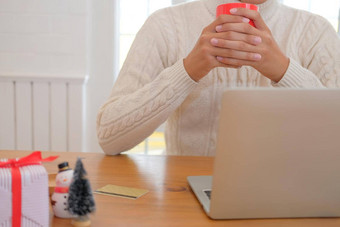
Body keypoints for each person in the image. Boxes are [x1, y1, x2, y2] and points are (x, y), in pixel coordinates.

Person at [97, 0, 340, 156]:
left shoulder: (315, 31)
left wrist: (284, 71)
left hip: (288, 194)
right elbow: (109, 137)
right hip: (183, 192)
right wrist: (187, 71)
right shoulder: (165, 24)